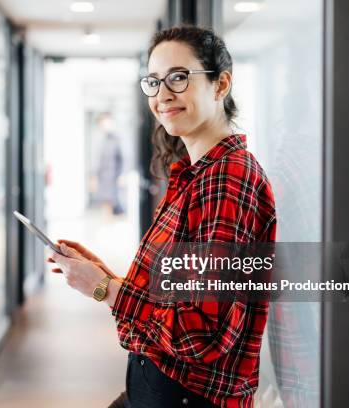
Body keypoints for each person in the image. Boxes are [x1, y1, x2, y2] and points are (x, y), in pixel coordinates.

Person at [48, 26, 277, 408]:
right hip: (160, 382)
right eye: (153, 81)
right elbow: (179, 299)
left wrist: (105, 289)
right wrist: (106, 276)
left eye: (179, 77)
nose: (162, 94)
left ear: (221, 85)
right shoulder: (195, 173)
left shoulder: (227, 179)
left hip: (188, 394)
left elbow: (202, 333)